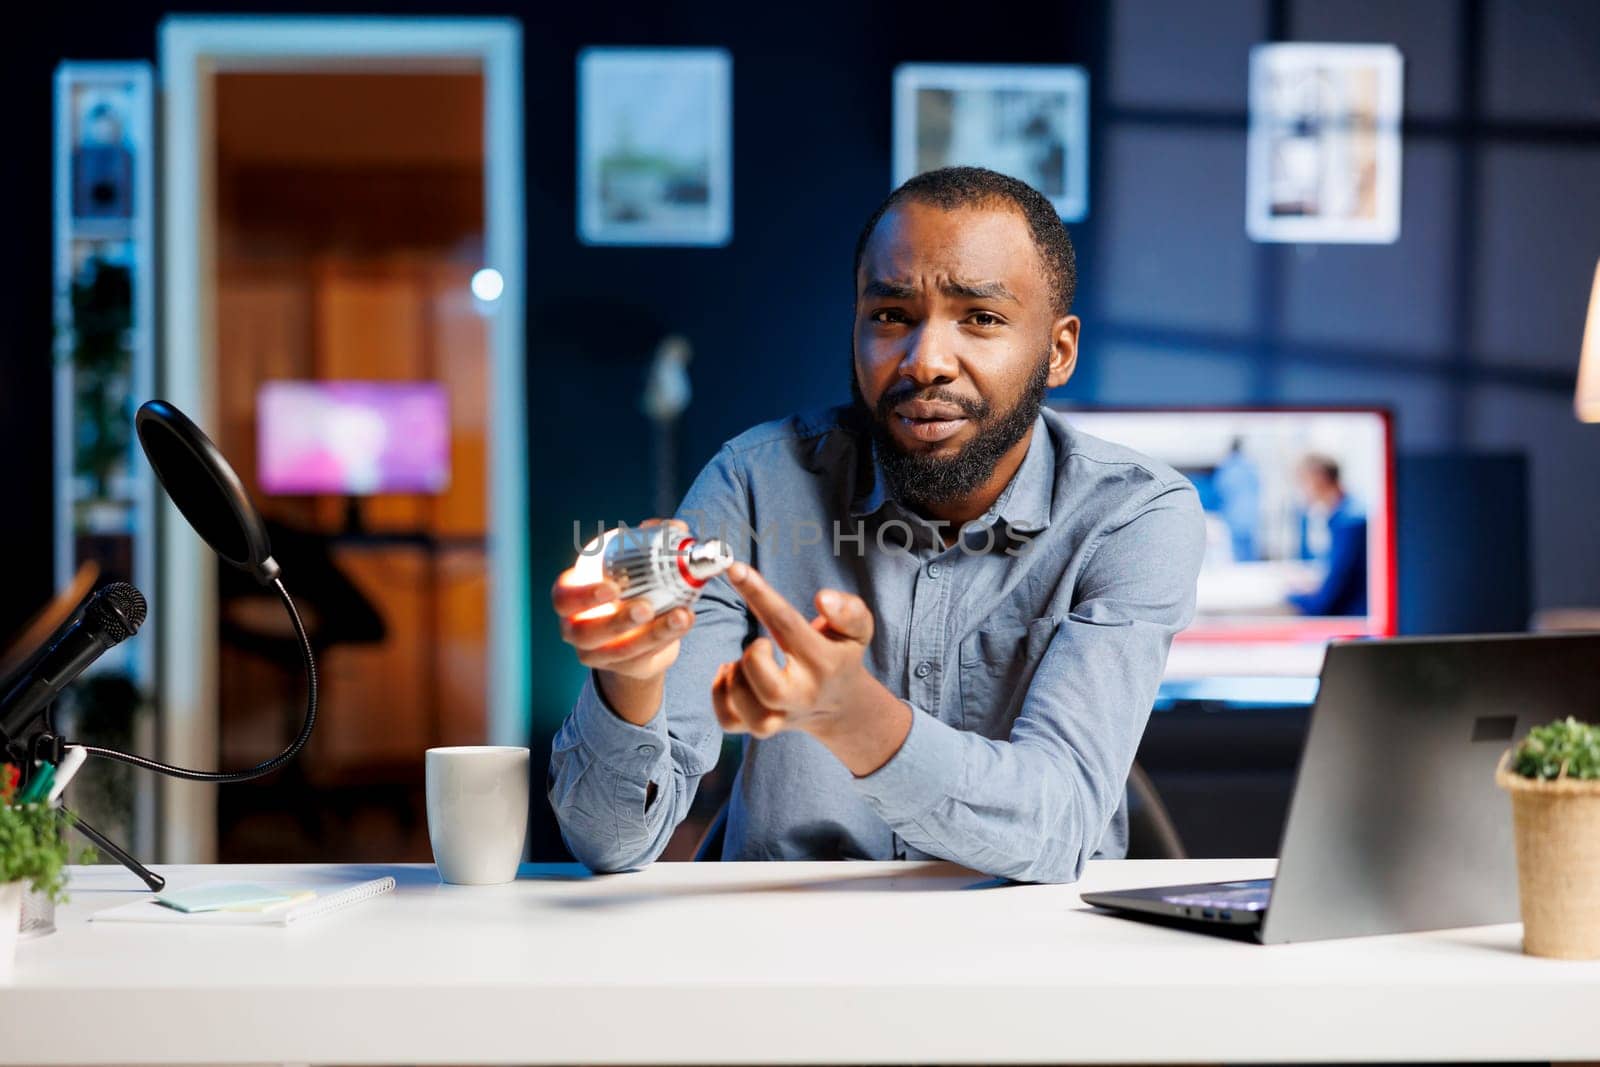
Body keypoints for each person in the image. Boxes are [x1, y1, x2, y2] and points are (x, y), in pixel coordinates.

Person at [547, 167, 1205, 884]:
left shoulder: (1133, 515)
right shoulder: (753, 483)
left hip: (1032, 956)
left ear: (1058, 350)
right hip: (788, 959)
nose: (924, 361)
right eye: (890, 315)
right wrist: (631, 676)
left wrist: (853, 717)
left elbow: (1059, 822)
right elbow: (608, 841)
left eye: (980, 318)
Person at [1288, 454, 1368, 617]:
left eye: (1302, 482)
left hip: (1352, 620)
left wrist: (1289, 595)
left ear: (1319, 478)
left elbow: (1326, 602)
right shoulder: (1343, 513)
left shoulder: (1349, 522)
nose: (1301, 491)